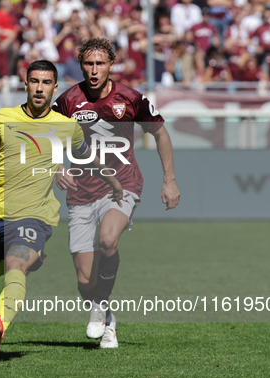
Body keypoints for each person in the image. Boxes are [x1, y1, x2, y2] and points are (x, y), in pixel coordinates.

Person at [0, 60, 124, 354]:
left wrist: (112, 181)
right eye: (34, 81)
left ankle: (0, 324)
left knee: (16, 265)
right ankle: (32, 260)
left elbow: (86, 156)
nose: (39, 88)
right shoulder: (2, 118)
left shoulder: (66, 126)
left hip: (36, 215)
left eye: (46, 82)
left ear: (54, 87)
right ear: (25, 84)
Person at [53, 38, 180, 349]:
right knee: (84, 282)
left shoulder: (131, 98)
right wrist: (58, 166)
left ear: (111, 65)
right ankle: (106, 314)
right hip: (81, 193)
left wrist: (170, 180)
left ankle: (100, 305)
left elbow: (160, 133)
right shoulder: (67, 100)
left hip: (122, 185)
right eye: (88, 64)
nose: (94, 70)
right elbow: (50, 136)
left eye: (100, 64)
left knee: (108, 239)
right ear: (81, 65)